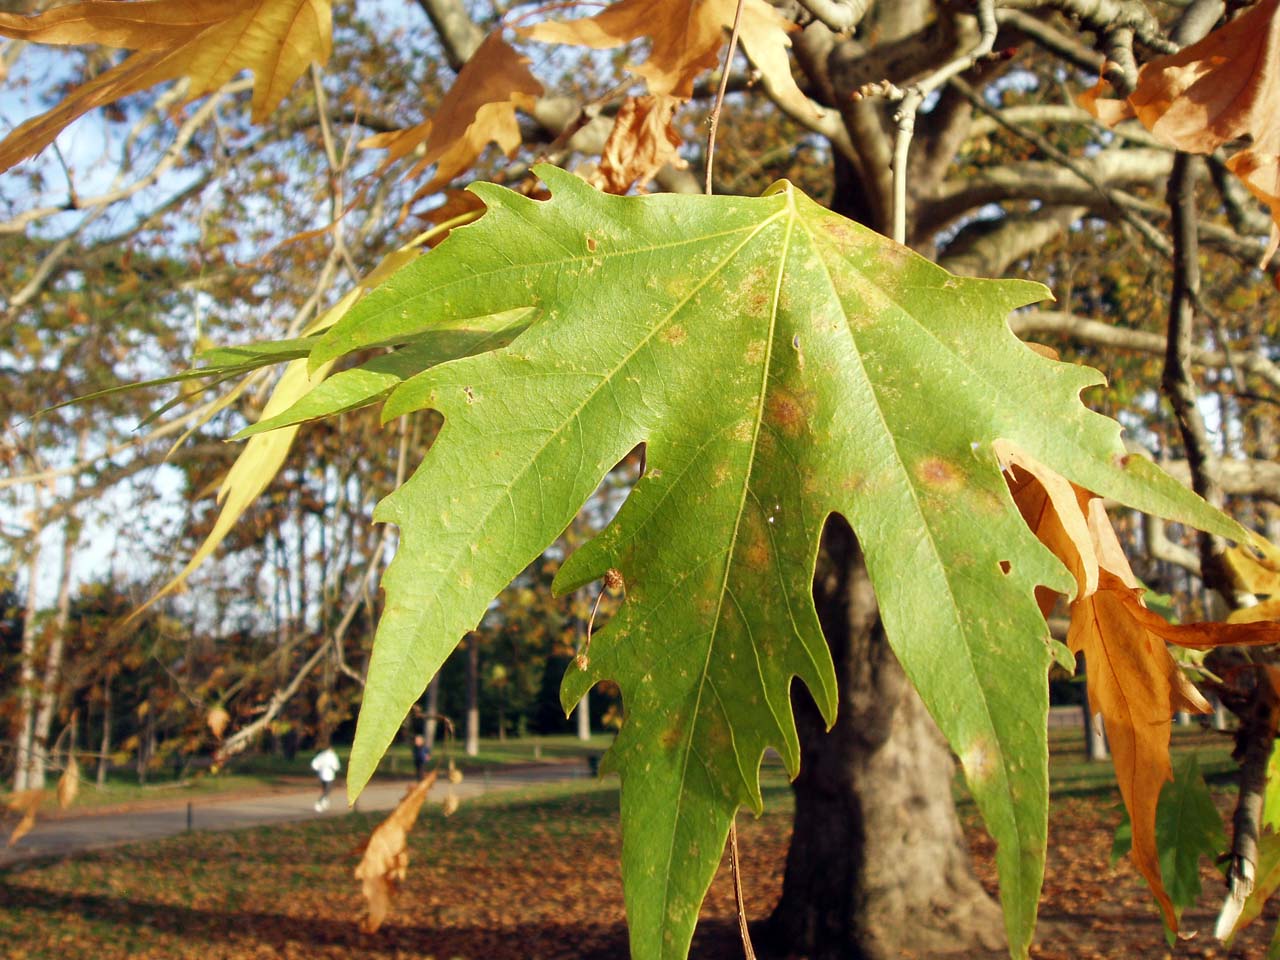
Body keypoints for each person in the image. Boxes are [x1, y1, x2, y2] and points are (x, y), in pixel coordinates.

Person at [310, 744, 341, 812]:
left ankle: (325, 802)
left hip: (321, 775)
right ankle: (319, 802)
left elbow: (314, 764)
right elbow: (336, 765)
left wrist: (318, 769)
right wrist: (336, 769)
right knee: (327, 790)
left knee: (324, 789)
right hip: (329, 775)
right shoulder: (332, 755)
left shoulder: (321, 755)